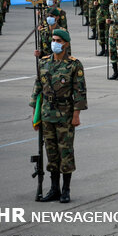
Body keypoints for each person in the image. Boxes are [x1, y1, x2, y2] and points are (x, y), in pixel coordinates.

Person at [29, 29, 87, 203]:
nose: (55, 43)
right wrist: (35, 112)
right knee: (51, 152)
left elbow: (80, 91)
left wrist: (76, 114)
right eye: (53, 40)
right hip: (47, 113)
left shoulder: (74, 64)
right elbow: (37, 86)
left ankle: (66, 189)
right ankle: (53, 188)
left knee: (66, 151)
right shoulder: (44, 63)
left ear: (66, 44)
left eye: (59, 40)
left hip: (65, 113)